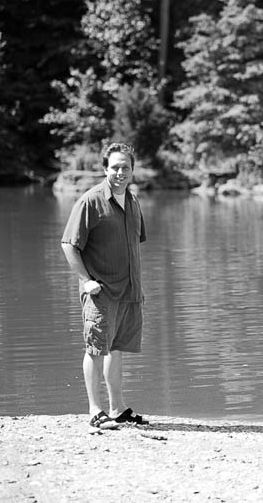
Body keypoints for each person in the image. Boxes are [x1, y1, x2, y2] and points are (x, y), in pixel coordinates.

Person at [61, 142, 149, 432]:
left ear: (133, 170)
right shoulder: (91, 200)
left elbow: (133, 244)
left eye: (126, 167)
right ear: (105, 169)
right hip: (101, 293)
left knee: (117, 348)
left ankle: (118, 408)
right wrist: (87, 281)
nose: (120, 172)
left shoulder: (133, 201)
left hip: (129, 292)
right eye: (115, 167)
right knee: (96, 349)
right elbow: (69, 245)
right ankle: (95, 410)